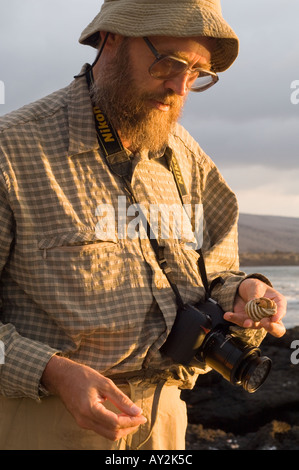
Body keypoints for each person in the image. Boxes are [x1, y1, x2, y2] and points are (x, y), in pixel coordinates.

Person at [0, 0, 286, 450]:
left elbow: (220, 277)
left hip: (166, 421)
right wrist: (52, 372)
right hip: (47, 422)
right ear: (112, 39)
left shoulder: (187, 157)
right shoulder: (12, 152)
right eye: (168, 63)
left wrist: (248, 295)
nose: (179, 87)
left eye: (197, 73)